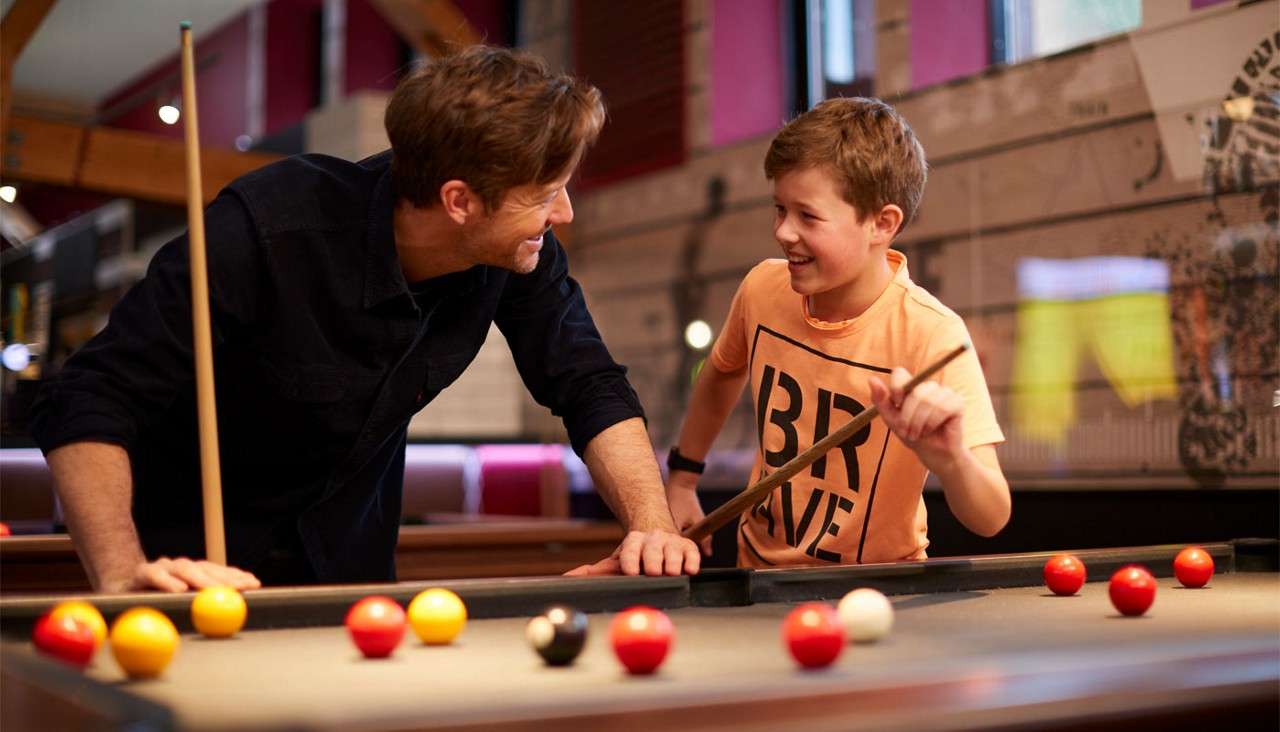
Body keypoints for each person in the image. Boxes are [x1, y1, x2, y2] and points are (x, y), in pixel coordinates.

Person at [30, 46, 699, 593]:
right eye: (547, 195)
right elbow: (93, 395)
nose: (565, 215)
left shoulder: (518, 255)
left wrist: (651, 525)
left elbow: (588, 383)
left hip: (350, 587)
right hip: (191, 578)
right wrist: (121, 579)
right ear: (460, 200)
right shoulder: (265, 231)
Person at [664, 97, 1010, 568]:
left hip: (879, 591)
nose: (784, 231)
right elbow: (722, 373)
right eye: (779, 209)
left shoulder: (934, 333)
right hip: (757, 581)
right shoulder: (762, 288)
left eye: (808, 216)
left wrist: (951, 461)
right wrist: (683, 478)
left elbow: (991, 517)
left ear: (882, 224)